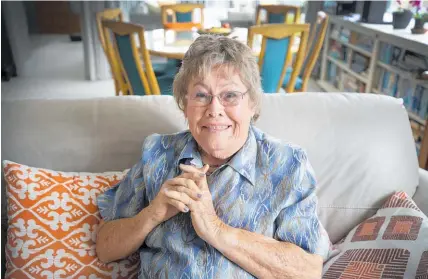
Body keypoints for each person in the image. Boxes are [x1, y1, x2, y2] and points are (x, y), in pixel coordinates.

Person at [96, 35, 330, 278]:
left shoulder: (288, 164)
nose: (215, 109)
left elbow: (308, 271)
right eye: (201, 95)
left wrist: (215, 229)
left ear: (252, 104)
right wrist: (152, 214)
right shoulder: (157, 153)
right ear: (184, 105)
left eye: (230, 95)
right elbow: (105, 248)